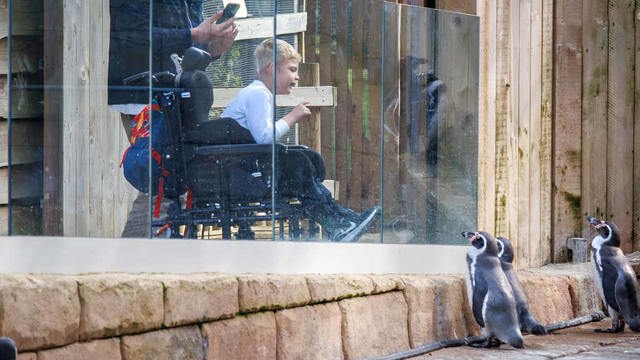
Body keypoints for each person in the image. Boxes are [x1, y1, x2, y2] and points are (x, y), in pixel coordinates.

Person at [220, 38, 379, 242]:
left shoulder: (257, 93)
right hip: (244, 171)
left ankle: (343, 219)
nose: (297, 77)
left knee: (301, 163)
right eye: (292, 69)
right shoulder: (258, 94)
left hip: (246, 165)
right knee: (299, 164)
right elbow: (264, 138)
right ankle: (336, 223)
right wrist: (292, 117)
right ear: (272, 68)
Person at [108, 0, 238, 238]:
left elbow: (188, 45)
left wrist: (214, 47)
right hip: (145, 89)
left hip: (181, 89)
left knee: (176, 177)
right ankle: (135, 252)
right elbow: (129, 35)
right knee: (161, 177)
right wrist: (194, 34)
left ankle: (155, 250)